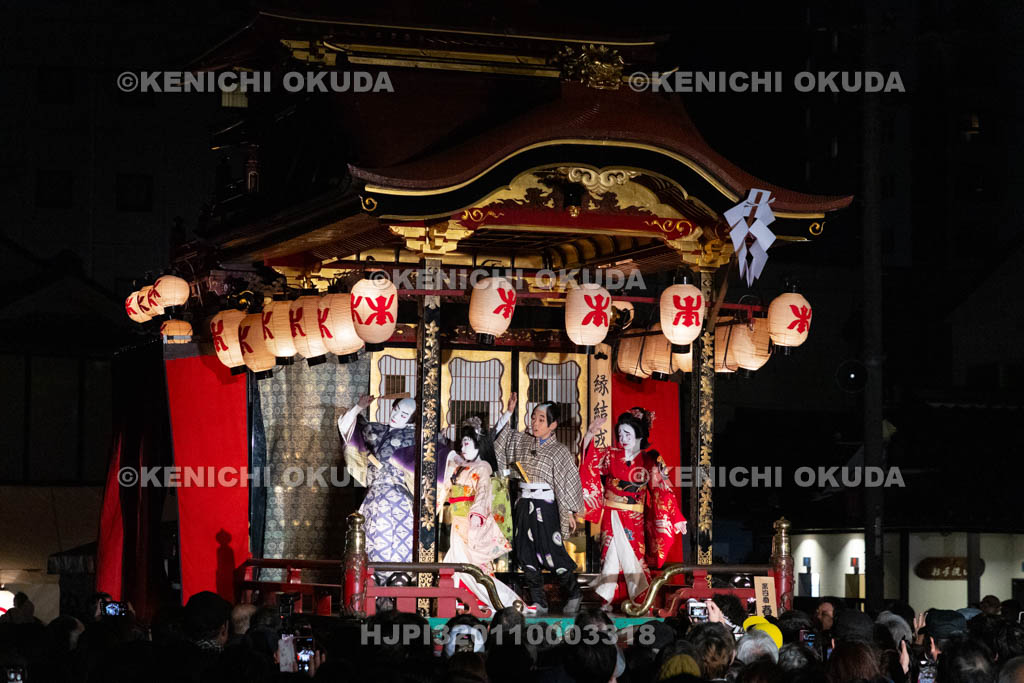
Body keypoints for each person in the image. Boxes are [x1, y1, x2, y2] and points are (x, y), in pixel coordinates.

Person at [579, 410, 686, 609]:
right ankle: (606, 598)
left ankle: (641, 600)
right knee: (609, 554)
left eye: (627, 434)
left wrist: (677, 517)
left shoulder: (649, 460)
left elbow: (662, 489)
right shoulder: (611, 455)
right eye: (620, 434)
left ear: (639, 435)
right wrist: (589, 435)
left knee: (634, 556)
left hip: (634, 517)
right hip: (611, 514)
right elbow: (589, 462)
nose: (623, 439)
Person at [494, 392, 584, 616]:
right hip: (524, 504)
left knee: (551, 551)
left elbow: (568, 480)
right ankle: (538, 601)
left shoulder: (560, 451)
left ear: (553, 424)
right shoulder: (523, 441)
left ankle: (574, 593)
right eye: (533, 417)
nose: (535, 422)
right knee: (526, 554)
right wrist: (509, 412)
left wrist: (570, 512)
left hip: (546, 506)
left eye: (541, 419)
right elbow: (500, 442)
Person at [339, 395, 418, 598]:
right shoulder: (374, 431)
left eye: (404, 414)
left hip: (400, 500)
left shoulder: (416, 437)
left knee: (400, 552)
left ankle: (397, 596)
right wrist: (359, 407)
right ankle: (370, 598)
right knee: (370, 548)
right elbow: (346, 426)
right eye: (396, 409)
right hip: (373, 499)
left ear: (411, 419)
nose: (396, 416)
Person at [437, 424, 518, 612]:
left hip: (471, 520)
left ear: (478, 445)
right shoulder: (461, 467)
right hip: (457, 519)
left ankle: (496, 598)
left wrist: (478, 513)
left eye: (467, 443)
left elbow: (483, 492)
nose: (463, 448)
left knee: (470, 561)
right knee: (456, 558)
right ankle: (458, 595)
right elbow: (445, 486)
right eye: (462, 444)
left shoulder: (483, 468)